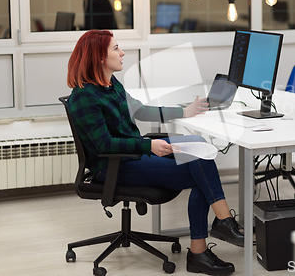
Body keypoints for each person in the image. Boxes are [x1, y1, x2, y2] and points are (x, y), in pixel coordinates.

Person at [66, 29, 243, 275]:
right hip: (114, 167)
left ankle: (220, 225)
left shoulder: (110, 85)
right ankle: (203, 247)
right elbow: (104, 145)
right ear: (99, 57)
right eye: (116, 48)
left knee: (198, 145)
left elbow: (139, 111)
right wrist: (148, 146)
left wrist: (183, 112)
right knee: (201, 174)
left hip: (134, 154)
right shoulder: (85, 97)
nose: (122, 52)